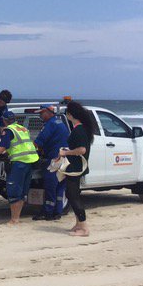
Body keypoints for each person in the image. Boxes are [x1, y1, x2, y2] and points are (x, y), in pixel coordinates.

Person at [0, 111, 39, 225]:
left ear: (4, 120)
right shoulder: (22, 128)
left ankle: (14, 219)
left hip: (19, 163)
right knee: (22, 192)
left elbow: (1, 148)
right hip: (30, 161)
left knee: (14, 191)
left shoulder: (8, 131)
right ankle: (17, 217)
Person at [54, 100, 97, 237]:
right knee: (72, 194)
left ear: (70, 115)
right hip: (75, 167)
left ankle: (84, 227)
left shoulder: (79, 130)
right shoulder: (81, 129)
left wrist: (65, 152)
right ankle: (79, 224)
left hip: (75, 168)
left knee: (73, 196)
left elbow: (82, 150)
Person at [31, 104, 70, 221]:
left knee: (50, 187)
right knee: (60, 186)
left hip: (54, 159)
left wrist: (29, 150)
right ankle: (57, 212)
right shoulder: (60, 123)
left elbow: (38, 142)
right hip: (64, 158)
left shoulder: (50, 125)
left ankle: (48, 212)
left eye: (41, 113)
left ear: (49, 112)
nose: (40, 115)